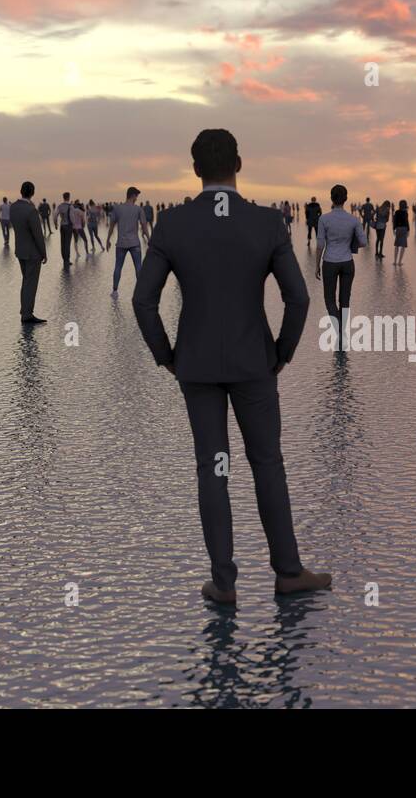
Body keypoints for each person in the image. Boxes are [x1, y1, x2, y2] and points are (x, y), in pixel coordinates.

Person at [132, 128, 329, 605]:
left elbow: (143, 300)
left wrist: (167, 356)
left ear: (195, 168)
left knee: (213, 469)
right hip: (254, 363)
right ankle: (287, 571)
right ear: (238, 164)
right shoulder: (266, 223)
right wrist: (281, 351)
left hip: (195, 366)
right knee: (268, 464)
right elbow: (298, 298)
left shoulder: (172, 225)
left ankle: (223, 583)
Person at [316, 184, 364, 345]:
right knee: (345, 299)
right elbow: (363, 242)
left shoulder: (324, 219)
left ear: (331, 198)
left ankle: (339, 332)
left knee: (329, 300)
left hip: (329, 261)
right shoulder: (353, 220)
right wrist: (350, 242)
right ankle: (342, 331)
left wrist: (316, 264)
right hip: (347, 262)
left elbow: (320, 244)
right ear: (346, 199)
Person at [10, 181, 47, 324]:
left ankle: (24, 310)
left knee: (25, 281)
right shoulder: (31, 210)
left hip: (20, 250)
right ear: (32, 192)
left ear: (21, 191)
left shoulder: (13, 207)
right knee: (31, 284)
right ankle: (27, 314)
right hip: (33, 253)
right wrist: (44, 253)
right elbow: (38, 234)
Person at [108, 186, 150, 299]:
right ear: (133, 195)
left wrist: (108, 240)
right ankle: (142, 292)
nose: (137, 198)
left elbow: (111, 226)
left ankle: (115, 291)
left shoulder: (117, 208)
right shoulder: (138, 209)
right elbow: (144, 226)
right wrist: (149, 240)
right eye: (136, 196)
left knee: (118, 266)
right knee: (138, 267)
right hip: (135, 243)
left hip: (121, 243)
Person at [53, 192, 74, 267]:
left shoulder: (60, 206)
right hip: (68, 226)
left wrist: (55, 224)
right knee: (67, 243)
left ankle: (64, 259)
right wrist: (73, 225)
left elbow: (55, 215)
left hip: (62, 226)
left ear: (63, 197)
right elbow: (72, 218)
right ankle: (67, 260)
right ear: (68, 197)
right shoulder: (70, 206)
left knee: (63, 243)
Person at [392, 199, 410, 266]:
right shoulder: (406, 213)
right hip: (404, 229)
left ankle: (395, 261)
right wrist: (408, 230)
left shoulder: (396, 212)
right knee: (403, 246)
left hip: (398, 229)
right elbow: (406, 222)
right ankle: (399, 262)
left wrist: (393, 229)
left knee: (396, 245)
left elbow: (395, 221)